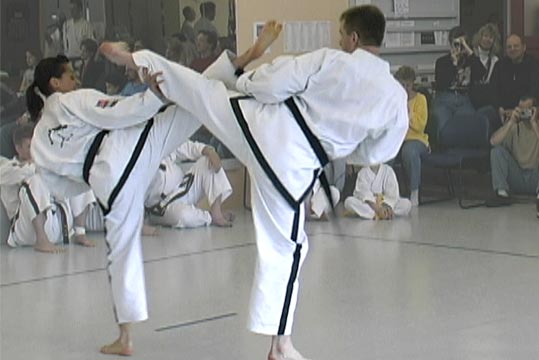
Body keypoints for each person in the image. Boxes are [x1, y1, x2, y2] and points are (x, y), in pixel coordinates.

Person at [100, 5, 408, 359]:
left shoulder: (330, 60)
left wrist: (242, 82)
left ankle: (139, 60)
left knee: (200, 92)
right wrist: (334, 148)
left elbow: (274, 83)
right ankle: (280, 345)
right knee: (287, 248)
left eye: (342, 35)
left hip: (262, 126)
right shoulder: (395, 96)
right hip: (295, 165)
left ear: (354, 38)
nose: (339, 41)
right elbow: (376, 153)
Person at [26, 53, 204, 355]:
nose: (76, 80)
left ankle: (126, 338)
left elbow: (61, 185)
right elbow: (115, 112)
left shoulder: (38, 141)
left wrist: (94, 179)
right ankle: (230, 73)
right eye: (70, 75)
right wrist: (152, 96)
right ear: (55, 83)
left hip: (108, 176)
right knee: (197, 107)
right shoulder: (69, 101)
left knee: (122, 253)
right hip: (126, 147)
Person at [0, 124, 95, 252]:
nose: (34, 150)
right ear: (18, 148)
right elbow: (19, 174)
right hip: (27, 230)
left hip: (60, 226)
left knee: (77, 178)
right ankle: (41, 240)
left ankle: (80, 232)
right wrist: (39, 166)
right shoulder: (7, 167)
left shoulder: (45, 163)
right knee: (36, 180)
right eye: (29, 146)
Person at [145, 140, 234, 228]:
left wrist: (209, 151)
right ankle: (209, 217)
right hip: (161, 208)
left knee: (208, 160)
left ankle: (216, 212)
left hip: (184, 188)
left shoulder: (161, 141)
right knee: (182, 215)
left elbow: (188, 147)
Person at [489, 94, 539, 217]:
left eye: (528, 109)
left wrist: (534, 124)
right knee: (497, 152)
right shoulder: (514, 127)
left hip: (536, 178)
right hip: (517, 176)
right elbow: (493, 142)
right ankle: (502, 194)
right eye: (521, 109)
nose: (525, 113)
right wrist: (510, 123)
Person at [394, 66, 429, 206]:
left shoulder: (421, 99)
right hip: (398, 140)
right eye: (401, 85)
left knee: (409, 152)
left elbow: (420, 126)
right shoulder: (394, 100)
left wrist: (408, 113)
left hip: (416, 139)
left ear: (413, 83)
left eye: (407, 85)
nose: (405, 88)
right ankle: (387, 192)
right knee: (386, 154)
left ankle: (414, 191)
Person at [432, 26, 475, 133]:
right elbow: (442, 84)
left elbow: (481, 72)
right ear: (450, 44)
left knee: (468, 126)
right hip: (445, 98)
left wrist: (469, 51)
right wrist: (454, 64)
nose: (459, 47)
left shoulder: (470, 61)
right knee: (443, 126)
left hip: (463, 98)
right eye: (456, 44)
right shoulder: (442, 62)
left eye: (462, 43)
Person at [344, 164, 411, 219]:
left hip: (386, 204)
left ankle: (380, 214)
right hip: (370, 205)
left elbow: (392, 194)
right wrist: (378, 209)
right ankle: (382, 214)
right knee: (349, 201)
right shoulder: (363, 172)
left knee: (406, 204)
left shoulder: (388, 170)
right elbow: (363, 192)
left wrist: (386, 206)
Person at [497, 34, 539, 120]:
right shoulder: (500, 65)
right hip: (506, 112)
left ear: (524, 47)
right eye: (509, 47)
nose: (512, 49)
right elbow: (495, 88)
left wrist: (531, 99)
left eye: (516, 46)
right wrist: (499, 106)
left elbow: (536, 87)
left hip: (526, 111)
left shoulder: (534, 64)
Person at [469, 23, 501, 111]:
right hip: (470, 99)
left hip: (488, 100)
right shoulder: (471, 56)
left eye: (491, 37)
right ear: (479, 38)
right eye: (485, 36)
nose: (487, 40)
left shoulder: (496, 60)